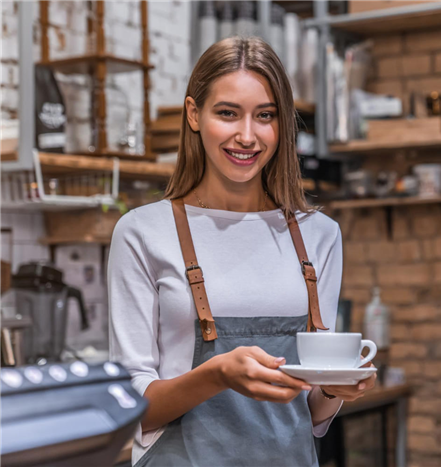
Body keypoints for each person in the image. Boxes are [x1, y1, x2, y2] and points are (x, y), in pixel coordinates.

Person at [108, 36, 375, 466]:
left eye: (265, 116)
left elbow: (311, 415)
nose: (247, 136)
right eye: (228, 113)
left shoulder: (319, 235)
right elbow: (130, 410)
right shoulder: (142, 232)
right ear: (194, 115)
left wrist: (333, 390)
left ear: (282, 123)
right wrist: (216, 374)